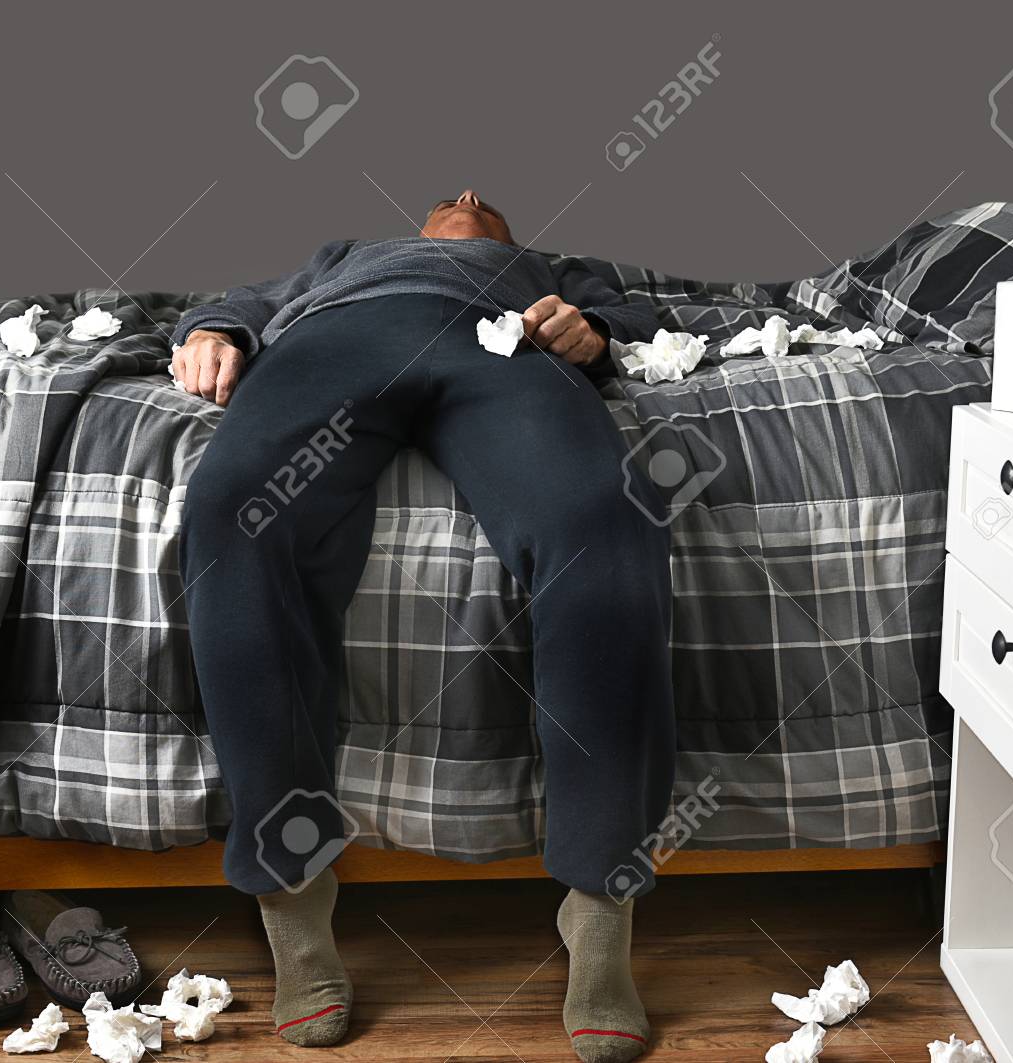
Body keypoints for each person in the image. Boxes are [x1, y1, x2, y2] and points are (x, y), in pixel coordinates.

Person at [173, 190, 675, 1062]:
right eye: (453, 196)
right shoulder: (344, 256)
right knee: (234, 510)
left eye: (489, 201)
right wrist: (211, 332)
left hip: (505, 346)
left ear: (511, 239)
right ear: (414, 228)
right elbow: (239, 303)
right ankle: (294, 902)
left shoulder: (548, 273)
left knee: (606, 515)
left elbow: (636, 315)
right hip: (338, 342)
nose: (471, 194)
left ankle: (599, 912)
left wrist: (588, 327)